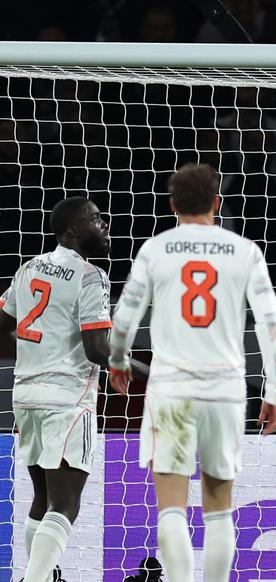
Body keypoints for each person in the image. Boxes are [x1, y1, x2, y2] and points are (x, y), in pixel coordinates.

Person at [108, 164, 276, 582]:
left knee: (171, 503)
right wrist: (275, 390)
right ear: (217, 203)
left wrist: (118, 360)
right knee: (219, 503)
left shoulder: (156, 249)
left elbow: (125, 317)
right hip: (225, 389)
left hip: (171, 387)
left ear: (173, 206)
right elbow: (270, 325)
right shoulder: (245, 251)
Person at [1, 197, 113, 582]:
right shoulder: (90, 276)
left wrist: (37, 349)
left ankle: (41, 577)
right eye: (97, 220)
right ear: (74, 231)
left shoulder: (28, 268)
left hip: (25, 396)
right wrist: (125, 358)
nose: (105, 225)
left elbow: (2, 328)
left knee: (42, 500)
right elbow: (97, 349)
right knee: (65, 504)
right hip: (67, 400)